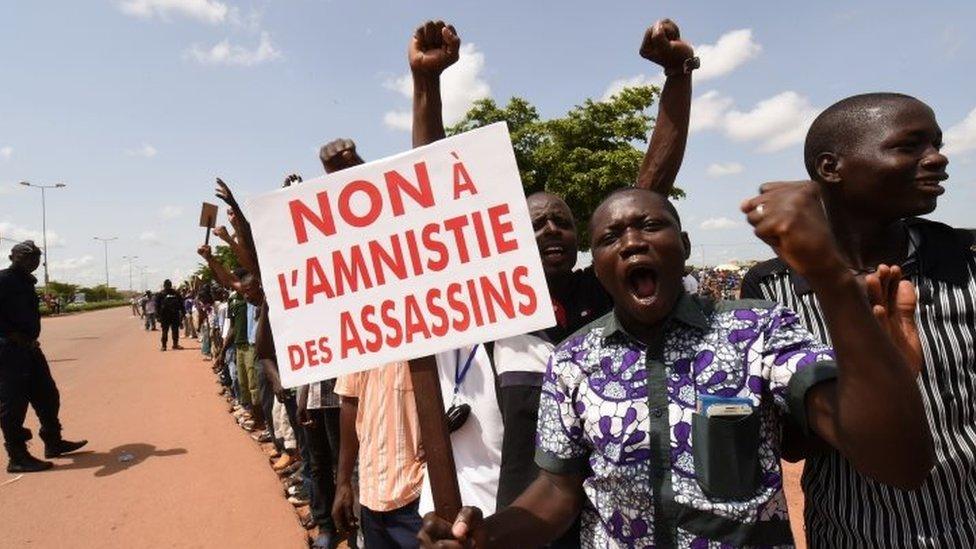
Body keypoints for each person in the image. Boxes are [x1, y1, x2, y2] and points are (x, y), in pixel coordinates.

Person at [419, 187, 934, 548]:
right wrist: (490, 535)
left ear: (684, 248)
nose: (632, 242)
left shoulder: (759, 330)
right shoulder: (573, 360)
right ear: (597, 267)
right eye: (609, 237)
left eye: (650, 225)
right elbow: (558, 489)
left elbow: (898, 462)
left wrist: (830, 278)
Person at [408, 17, 696, 525]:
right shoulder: (492, 306)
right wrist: (427, 83)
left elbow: (651, 186)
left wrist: (677, 77)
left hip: (609, 521)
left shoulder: (604, 293)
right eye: (535, 224)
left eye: (561, 222)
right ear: (511, 240)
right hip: (520, 522)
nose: (551, 231)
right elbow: (437, 201)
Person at [739, 93, 976, 548]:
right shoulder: (772, 290)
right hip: (853, 532)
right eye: (910, 146)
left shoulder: (964, 261)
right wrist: (875, 375)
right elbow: (789, 442)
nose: (939, 158)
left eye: (937, 143)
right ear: (831, 168)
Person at [0, 241, 88, 473]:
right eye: (27, 256)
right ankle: (17, 456)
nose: (33, 260)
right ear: (12, 257)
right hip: (8, 351)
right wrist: (9, 334)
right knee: (13, 404)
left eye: (37, 257)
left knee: (48, 395)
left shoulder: (27, 282)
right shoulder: (4, 280)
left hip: (29, 348)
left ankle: (53, 441)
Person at [333, 362, 425, 549]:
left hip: (419, 492)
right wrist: (343, 482)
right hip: (371, 491)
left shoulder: (426, 338)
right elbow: (350, 402)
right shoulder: (356, 338)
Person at [155, 280, 183, 351]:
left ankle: (164, 346)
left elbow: (157, 306)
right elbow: (181, 304)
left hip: (165, 316)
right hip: (174, 315)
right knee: (174, 330)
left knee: (165, 331)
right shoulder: (175, 293)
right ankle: (174, 345)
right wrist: (183, 314)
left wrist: (157, 316)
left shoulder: (161, 294)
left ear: (164, 285)